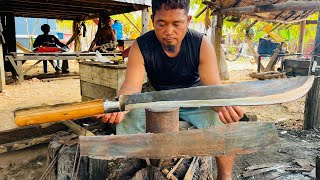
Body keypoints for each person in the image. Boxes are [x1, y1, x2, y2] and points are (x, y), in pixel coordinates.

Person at [96, 0, 244, 179]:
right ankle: (133, 169)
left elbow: (213, 88)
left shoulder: (201, 44)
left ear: (188, 21)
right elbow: (131, 87)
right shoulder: (141, 46)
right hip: (157, 100)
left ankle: (225, 176)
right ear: (153, 20)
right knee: (128, 119)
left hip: (194, 99)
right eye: (161, 24)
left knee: (224, 122)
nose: (169, 31)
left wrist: (223, 106)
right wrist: (120, 104)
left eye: (176, 24)